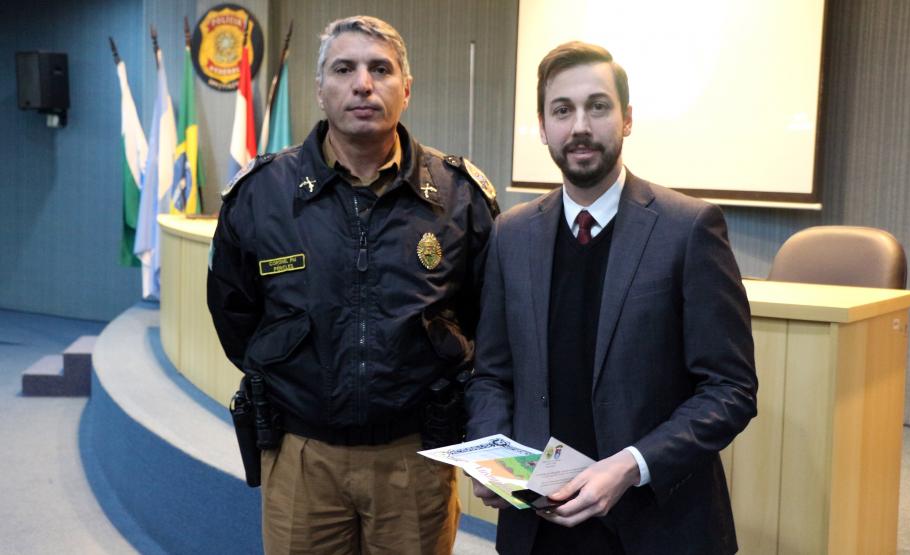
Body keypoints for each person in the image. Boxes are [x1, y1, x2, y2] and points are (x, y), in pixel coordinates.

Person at [207, 15, 498, 554]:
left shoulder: (460, 198)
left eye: (380, 69)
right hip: (301, 455)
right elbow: (234, 315)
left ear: (405, 89)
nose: (362, 83)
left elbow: (489, 324)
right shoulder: (261, 194)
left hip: (416, 455)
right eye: (344, 68)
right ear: (320, 89)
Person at [465, 41, 757, 554]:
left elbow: (729, 389)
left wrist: (631, 465)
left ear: (626, 119)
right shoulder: (511, 234)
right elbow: (493, 372)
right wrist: (493, 461)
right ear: (543, 127)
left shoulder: (688, 229)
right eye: (562, 110)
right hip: (538, 523)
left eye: (597, 106)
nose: (580, 125)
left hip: (656, 524)